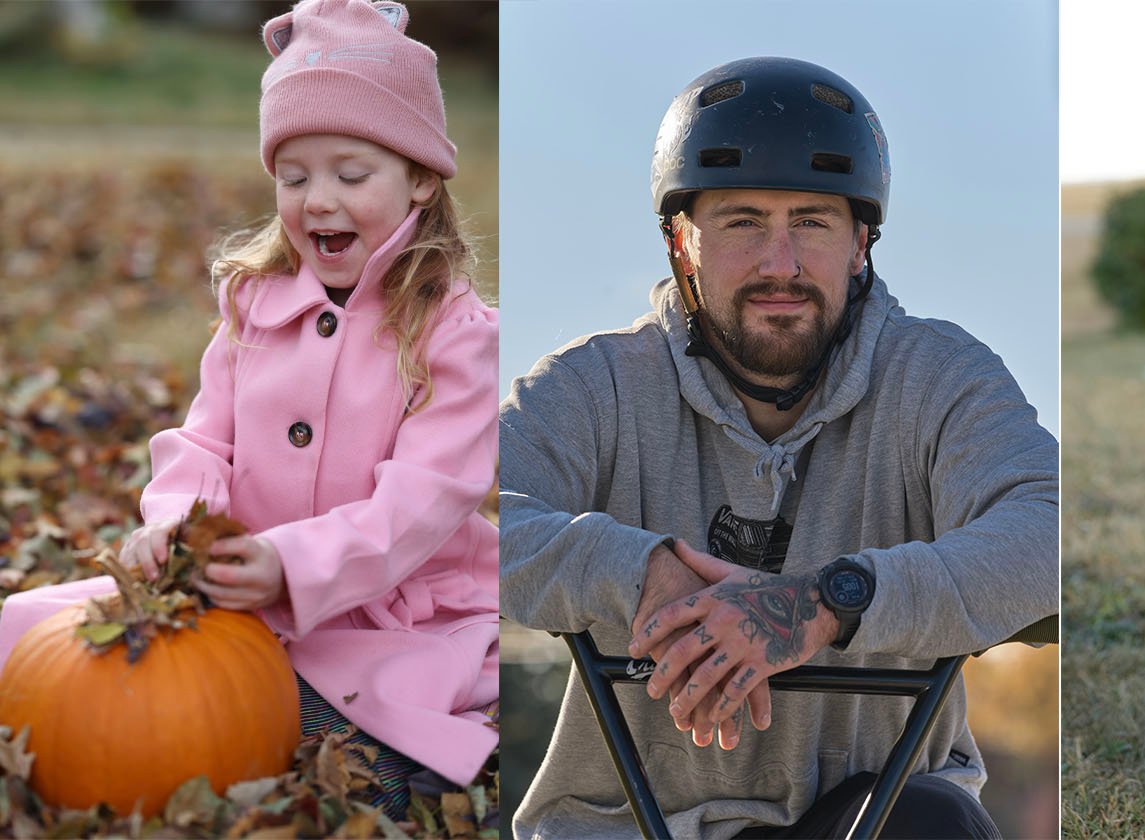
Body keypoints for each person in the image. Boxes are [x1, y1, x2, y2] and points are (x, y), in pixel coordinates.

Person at [499, 56, 1058, 839]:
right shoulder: (594, 385)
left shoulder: (941, 377)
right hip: (622, 826)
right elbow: (454, 517)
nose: (780, 264)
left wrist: (828, 601)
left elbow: (1050, 531)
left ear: (861, 241)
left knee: (935, 826)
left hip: (872, 817)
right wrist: (637, 571)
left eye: (812, 222)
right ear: (679, 241)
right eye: (742, 221)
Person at [0, 0, 499, 820]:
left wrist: (292, 567)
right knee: (34, 640)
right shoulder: (255, 305)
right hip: (233, 595)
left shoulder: (451, 332)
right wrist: (179, 530)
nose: (318, 201)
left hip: (381, 604)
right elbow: (202, 442)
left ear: (419, 175)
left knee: (353, 739)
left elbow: (424, 502)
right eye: (294, 176)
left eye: (350, 172)